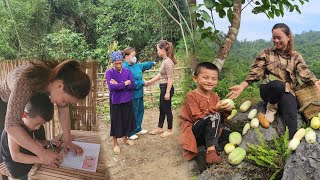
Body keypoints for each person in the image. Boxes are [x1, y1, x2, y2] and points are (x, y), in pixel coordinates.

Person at [228, 23, 320, 139]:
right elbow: (255, 72)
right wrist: (242, 86)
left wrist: (315, 81)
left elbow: (303, 70)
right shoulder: (266, 53)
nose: (276, 41)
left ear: (288, 37)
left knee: (292, 117)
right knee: (278, 85)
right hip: (269, 90)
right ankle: (270, 109)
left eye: (279, 38)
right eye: (274, 38)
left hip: (287, 91)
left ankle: (290, 147)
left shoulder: (295, 56)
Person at [0, 60, 91, 167]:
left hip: (29, 102)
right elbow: (11, 126)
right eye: (65, 100)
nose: (64, 104)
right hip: (5, 102)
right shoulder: (24, 83)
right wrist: (42, 153)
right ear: (59, 86)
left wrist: (67, 141)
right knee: (7, 148)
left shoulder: (59, 78)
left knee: (34, 141)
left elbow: (63, 109)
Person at [178, 62, 233, 164]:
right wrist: (216, 109)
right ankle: (211, 151)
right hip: (195, 131)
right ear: (195, 78)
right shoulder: (191, 95)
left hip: (209, 132)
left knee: (229, 135)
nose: (210, 81)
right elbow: (196, 117)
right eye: (205, 77)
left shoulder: (215, 97)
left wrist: (226, 109)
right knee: (214, 115)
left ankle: (206, 148)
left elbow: (220, 119)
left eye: (214, 79)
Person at [1, 92, 62, 180]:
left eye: (41, 124)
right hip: (17, 167)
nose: (38, 128)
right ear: (24, 115)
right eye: (37, 124)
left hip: (29, 159)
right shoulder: (14, 127)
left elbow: (34, 142)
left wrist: (49, 142)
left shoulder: (30, 123)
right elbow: (16, 156)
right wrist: (43, 159)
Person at [105, 51, 136, 154]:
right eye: (116, 63)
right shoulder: (109, 73)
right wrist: (124, 84)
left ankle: (125, 139)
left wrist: (119, 85)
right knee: (116, 122)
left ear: (122, 61)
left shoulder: (127, 71)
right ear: (112, 63)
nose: (118, 65)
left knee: (126, 120)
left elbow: (132, 84)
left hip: (127, 100)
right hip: (116, 101)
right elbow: (112, 87)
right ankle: (115, 143)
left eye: (120, 63)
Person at [122, 47, 156, 140]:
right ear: (127, 56)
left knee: (140, 111)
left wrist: (152, 63)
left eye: (135, 56)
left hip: (139, 93)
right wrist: (142, 82)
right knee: (132, 113)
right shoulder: (125, 68)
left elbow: (144, 65)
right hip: (131, 95)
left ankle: (137, 128)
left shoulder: (135, 65)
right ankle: (130, 132)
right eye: (133, 56)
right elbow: (130, 83)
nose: (134, 58)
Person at [146, 40, 176, 138]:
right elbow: (161, 74)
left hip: (167, 88)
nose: (157, 52)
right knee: (162, 109)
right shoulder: (164, 61)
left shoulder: (168, 62)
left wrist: (167, 92)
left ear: (163, 49)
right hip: (163, 87)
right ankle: (160, 128)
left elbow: (170, 78)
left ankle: (170, 130)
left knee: (167, 110)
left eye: (158, 50)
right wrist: (151, 81)